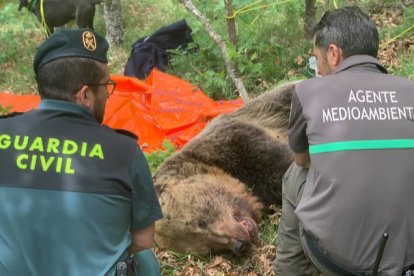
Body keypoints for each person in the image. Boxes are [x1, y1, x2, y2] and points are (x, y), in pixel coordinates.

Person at [0, 29, 163, 275]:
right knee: (146, 261)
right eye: (106, 86)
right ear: (85, 95)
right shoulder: (124, 152)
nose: (108, 95)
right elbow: (143, 239)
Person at [274, 6, 414, 275]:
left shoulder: (308, 91)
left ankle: (290, 270)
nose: (317, 69)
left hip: (339, 261)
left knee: (294, 175)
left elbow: (301, 159)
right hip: (408, 260)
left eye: (316, 60)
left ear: (334, 53)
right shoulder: (410, 90)